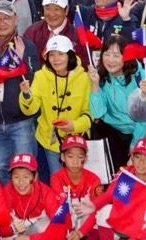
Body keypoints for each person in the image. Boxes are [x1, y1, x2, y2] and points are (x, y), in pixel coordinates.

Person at [0, 0, 38, 182]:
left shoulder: (27, 46)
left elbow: (36, 80)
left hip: (21, 121)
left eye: (6, 18)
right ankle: (6, 200)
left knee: (25, 168)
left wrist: (21, 60)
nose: (1, 23)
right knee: (3, 167)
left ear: (16, 19)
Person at [20, 36, 92, 179]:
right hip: (49, 141)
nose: (56, 59)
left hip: (76, 141)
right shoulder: (40, 76)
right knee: (57, 180)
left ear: (70, 55)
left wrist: (74, 125)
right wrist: (26, 95)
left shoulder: (84, 78)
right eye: (51, 54)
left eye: (60, 54)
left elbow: (89, 113)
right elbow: (31, 109)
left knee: (77, 181)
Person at [87, 35, 146, 174]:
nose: (110, 60)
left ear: (126, 56)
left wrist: (135, 143)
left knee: (133, 174)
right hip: (111, 133)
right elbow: (98, 113)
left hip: (137, 133)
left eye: (116, 55)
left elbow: (145, 117)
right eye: (107, 54)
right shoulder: (101, 76)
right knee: (111, 174)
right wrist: (95, 85)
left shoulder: (140, 77)